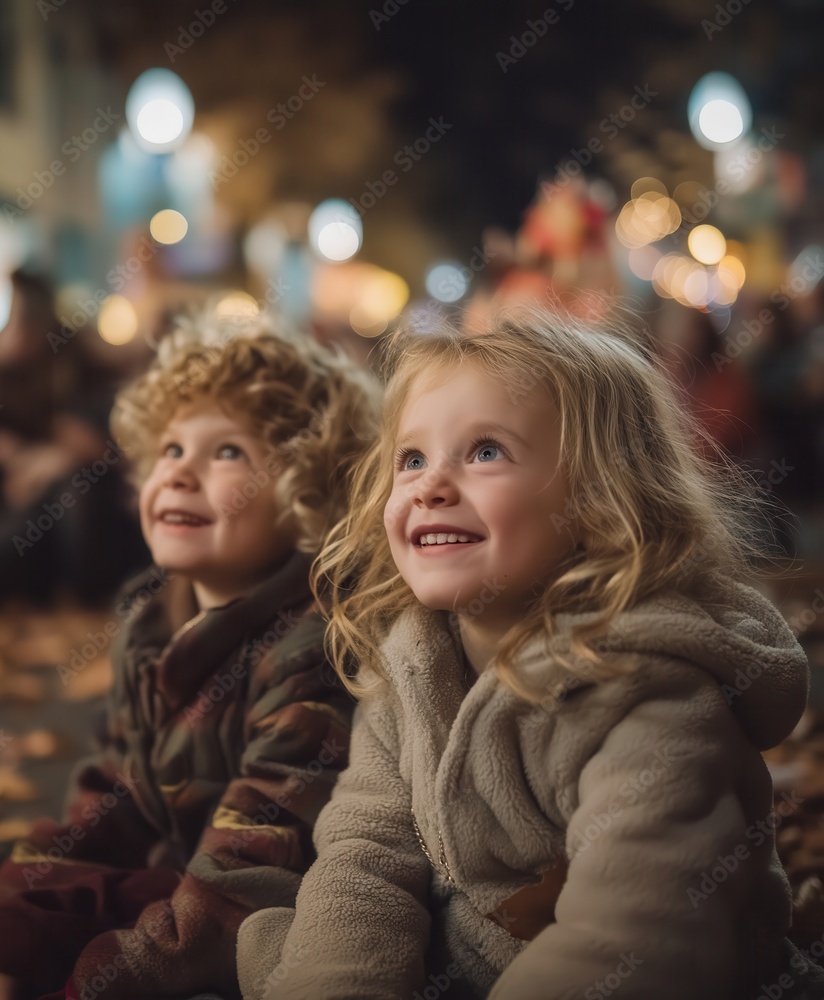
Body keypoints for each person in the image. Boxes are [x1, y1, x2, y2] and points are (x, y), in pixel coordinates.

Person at [236, 307, 822, 999]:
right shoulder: (412, 667)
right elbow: (368, 857)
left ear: (603, 501)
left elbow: (634, 936)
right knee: (291, 939)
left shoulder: (651, 691)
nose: (431, 484)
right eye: (412, 458)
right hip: (473, 958)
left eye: (486, 452)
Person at [0, 308, 380, 1000]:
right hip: (176, 874)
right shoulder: (150, 621)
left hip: (258, 909)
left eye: (228, 453)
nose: (181, 474)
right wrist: (22, 931)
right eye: (173, 450)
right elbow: (111, 790)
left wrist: (97, 979)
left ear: (308, 493)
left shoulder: (311, 650)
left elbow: (252, 865)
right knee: (13, 883)